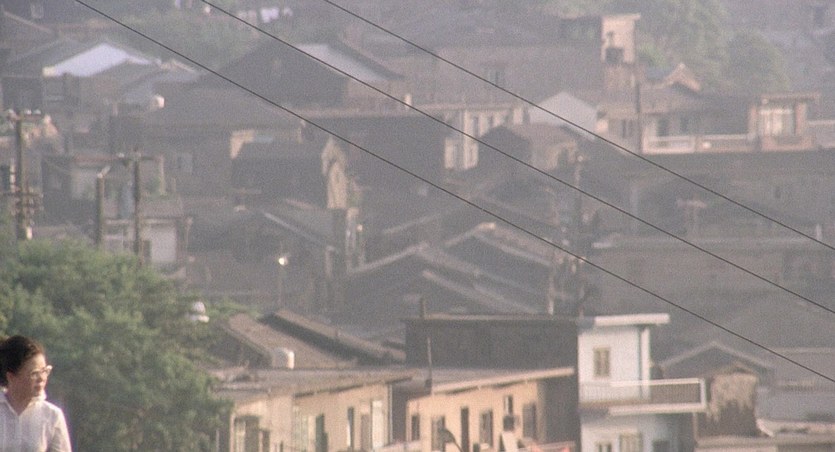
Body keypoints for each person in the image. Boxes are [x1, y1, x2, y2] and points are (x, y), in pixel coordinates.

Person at [0, 335, 71, 451]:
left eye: (45, 371)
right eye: (34, 373)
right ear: (11, 377)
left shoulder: (52, 416)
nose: (42, 378)